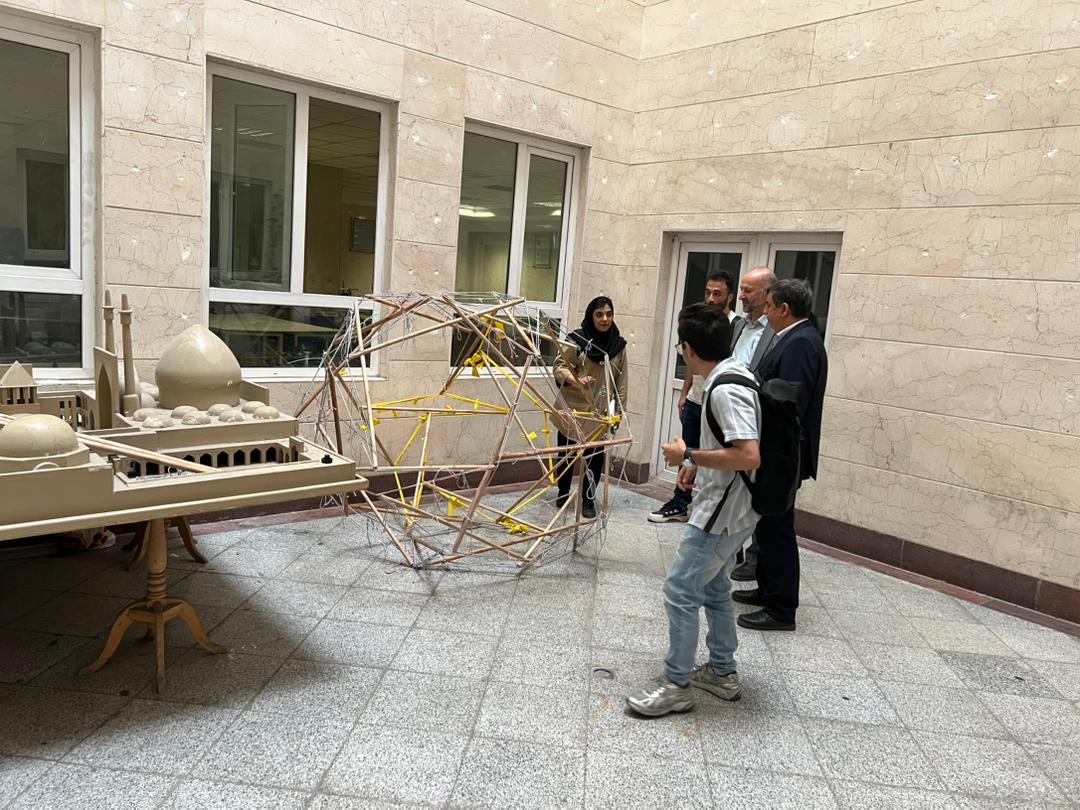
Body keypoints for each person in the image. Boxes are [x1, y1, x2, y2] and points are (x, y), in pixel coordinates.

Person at [626, 302, 761, 717]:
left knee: (681, 589)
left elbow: (749, 455)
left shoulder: (725, 389)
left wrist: (689, 455)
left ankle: (677, 685)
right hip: (738, 507)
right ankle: (721, 671)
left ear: (687, 348)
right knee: (715, 586)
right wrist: (696, 466)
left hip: (724, 512)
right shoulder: (734, 374)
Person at [735, 279, 828, 632]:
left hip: (782, 453)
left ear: (784, 309)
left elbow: (786, 402)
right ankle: (767, 588)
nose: (766, 312)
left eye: (770, 306)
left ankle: (781, 608)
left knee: (779, 530)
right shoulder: (793, 337)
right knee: (769, 526)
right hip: (776, 451)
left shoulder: (801, 342)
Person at [648, 270, 736, 524]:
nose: (711, 298)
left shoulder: (731, 327)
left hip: (715, 402)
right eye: (708, 292)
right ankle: (679, 502)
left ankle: (711, 508)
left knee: (710, 454)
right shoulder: (700, 321)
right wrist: (685, 393)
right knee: (686, 451)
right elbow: (693, 361)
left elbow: (747, 455)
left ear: (729, 297)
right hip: (696, 400)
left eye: (717, 293)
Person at [552, 296, 628, 520]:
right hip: (573, 408)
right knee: (567, 454)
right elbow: (559, 367)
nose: (605, 319)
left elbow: (621, 383)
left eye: (609, 314)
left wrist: (618, 413)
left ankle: (588, 499)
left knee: (595, 459)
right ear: (590, 316)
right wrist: (575, 379)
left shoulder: (618, 346)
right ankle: (563, 492)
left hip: (599, 412)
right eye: (599, 314)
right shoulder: (576, 339)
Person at [728, 266, 778, 582]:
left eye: (748, 290)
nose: (741, 296)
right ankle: (732, 547)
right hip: (730, 415)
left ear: (766, 294)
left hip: (757, 421)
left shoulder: (776, 332)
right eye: (742, 289)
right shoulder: (738, 326)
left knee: (756, 491)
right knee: (733, 487)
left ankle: (757, 557)